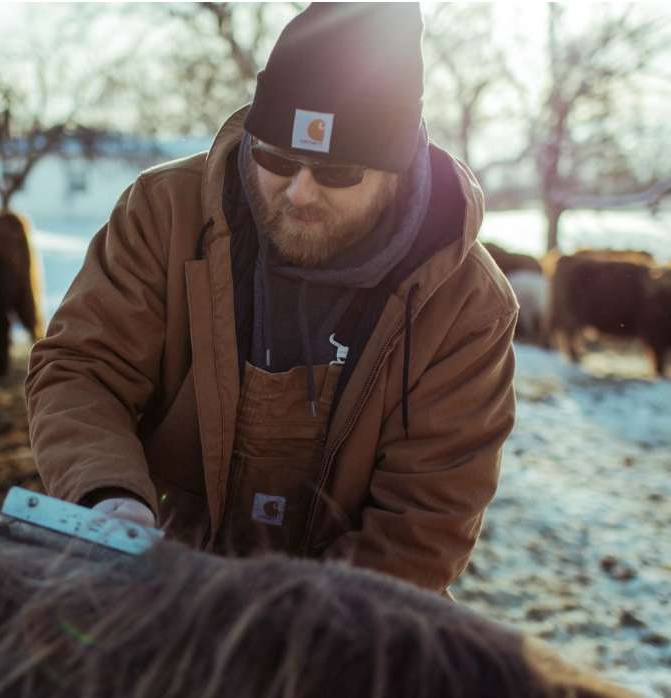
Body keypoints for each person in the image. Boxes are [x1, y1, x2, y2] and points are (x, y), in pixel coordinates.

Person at [25, 2, 517, 595]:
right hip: (152, 582)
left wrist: (281, 630)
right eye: (275, 160)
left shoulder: (466, 303)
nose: (299, 192)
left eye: (336, 174)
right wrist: (107, 498)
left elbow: (425, 519)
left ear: (397, 170)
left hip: (341, 617)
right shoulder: (163, 213)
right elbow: (82, 368)